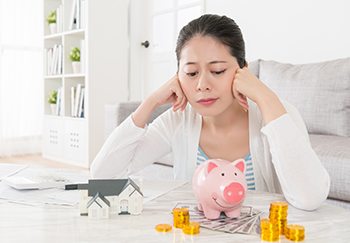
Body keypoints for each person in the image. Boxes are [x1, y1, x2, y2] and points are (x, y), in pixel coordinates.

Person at [91, 14, 330, 211]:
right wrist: (151, 102)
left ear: (243, 71)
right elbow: (102, 175)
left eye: (217, 70)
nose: (202, 85)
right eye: (191, 73)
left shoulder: (278, 112)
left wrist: (266, 97)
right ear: (178, 77)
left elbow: (309, 198)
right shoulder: (179, 118)